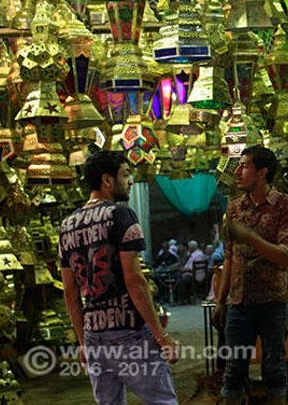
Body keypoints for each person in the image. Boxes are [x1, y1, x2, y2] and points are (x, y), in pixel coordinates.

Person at [58, 150, 179, 404]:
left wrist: (83, 343)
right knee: (162, 401)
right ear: (107, 180)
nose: (130, 181)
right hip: (128, 331)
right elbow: (135, 281)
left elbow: (70, 292)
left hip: (93, 335)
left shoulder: (67, 226)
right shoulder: (121, 216)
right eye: (125, 174)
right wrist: (160, 336)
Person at [213, 145, 288, 405]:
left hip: (272, 301)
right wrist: (221, 300)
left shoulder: (286, 206)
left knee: (274, 368)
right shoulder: (234, 208)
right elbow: (230, 257)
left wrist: (250, 238)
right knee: (233, 370)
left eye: (244, 166)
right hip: (239, 304)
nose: (237, 172)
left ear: (262, 172)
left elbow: (286, 256)